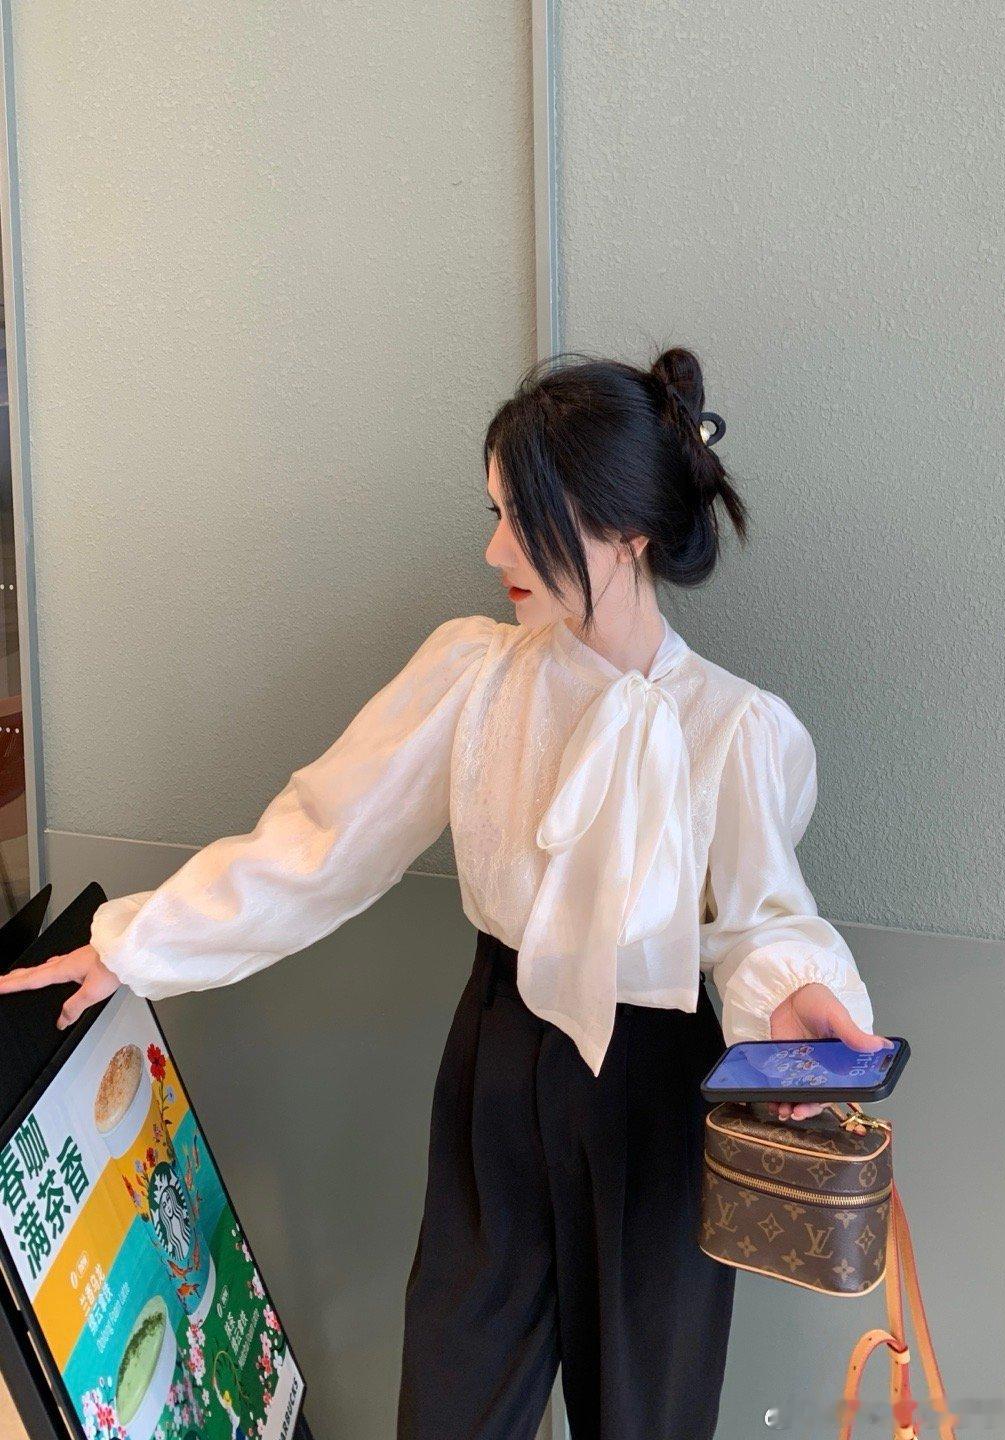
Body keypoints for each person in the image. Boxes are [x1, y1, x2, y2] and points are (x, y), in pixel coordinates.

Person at [0, 345, 890, 1440]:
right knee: (453, 1402)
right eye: (496, 513)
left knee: (648, 1411)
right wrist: (131, 945)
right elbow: (318, 842)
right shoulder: (474, 678)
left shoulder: (734, 728)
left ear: (628, 531)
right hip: (495, 1064)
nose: (495, 549)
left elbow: (759, 921)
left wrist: (793, 1000)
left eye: (527, 518)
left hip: (657, 1093)